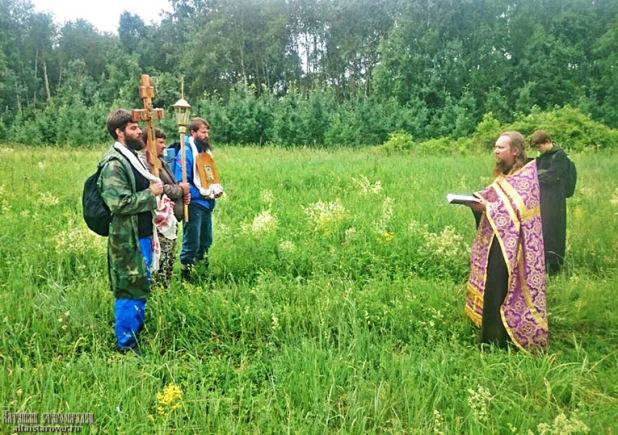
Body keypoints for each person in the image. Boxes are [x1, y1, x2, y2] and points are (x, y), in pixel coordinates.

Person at [463, 131, 548, 352]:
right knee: (494, 286)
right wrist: (478, 200)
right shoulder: (506, 174)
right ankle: (491, 339)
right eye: (495, 147)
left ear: (515, 151)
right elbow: (495, 196)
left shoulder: (527, 176)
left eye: (500, 147)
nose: (495, 151)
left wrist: (487, 208)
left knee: (506, 288)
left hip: (518, 248)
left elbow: (519, 209)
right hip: (499, 241)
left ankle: (507, 339)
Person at [98, 109, 163, 354]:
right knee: (129, 288)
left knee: (140, 284)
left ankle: (135, 331)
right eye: (134, 128)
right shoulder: (114, 163)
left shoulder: (132, 157)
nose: (140, 132)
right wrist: (151, 194)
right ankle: (126, 345)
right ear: (119, 131)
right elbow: (118, 203)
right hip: (127, 239)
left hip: (142, 235)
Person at [139, 128, 190, 287]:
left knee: (168, 263)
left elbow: (170, 185)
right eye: (160, 142)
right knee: (159, 263)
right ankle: (156, 295)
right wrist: (180, 190)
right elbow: (158, 187)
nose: (164, 145)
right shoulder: (145, 163)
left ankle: (163, 293)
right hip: (158, 225)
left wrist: (183, 194)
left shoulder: (160, 161)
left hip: (170, 221)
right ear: (149, 143)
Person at [174, 117, 223, 282]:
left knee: (205, 241)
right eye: (203, 132)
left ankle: (202, 273)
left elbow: (209, 178)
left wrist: (214, 190)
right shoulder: (185, 152)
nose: (206, 135)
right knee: (192, 243)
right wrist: (203, 194)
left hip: (207, 204)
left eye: (207, 131)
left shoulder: (204, 152)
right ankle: (186, 277)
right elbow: (183, 181)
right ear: (192, 132)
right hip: (194, 204)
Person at [531, 130, 569, 276]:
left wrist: (535, 176)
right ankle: (544, 264)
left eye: (539, 146)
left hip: (555, 199)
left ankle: (554, 267)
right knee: (544, 229)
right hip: (544, 197)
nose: (538, 150)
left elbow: (552, 175)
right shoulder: (545, 156)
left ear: (547, 141)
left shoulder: (560, 155)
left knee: (554, 230)